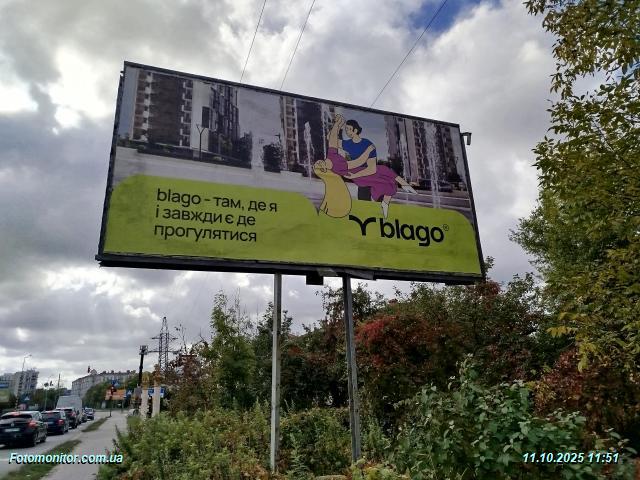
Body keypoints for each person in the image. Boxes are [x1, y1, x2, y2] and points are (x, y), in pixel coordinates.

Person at [337, 118, 416, 218]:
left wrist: (355, 174)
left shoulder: (368, 144)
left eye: (348, 129)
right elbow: (331, 139)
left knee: (384, 178)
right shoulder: (348, 144)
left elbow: (372, 169)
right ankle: (403, 185)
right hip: (359, 176)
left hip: (368, 174)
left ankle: (386, 204)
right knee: (382, 173)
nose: (347, 132)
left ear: (355, 130)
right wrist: (337, 126)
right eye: (345, 129)